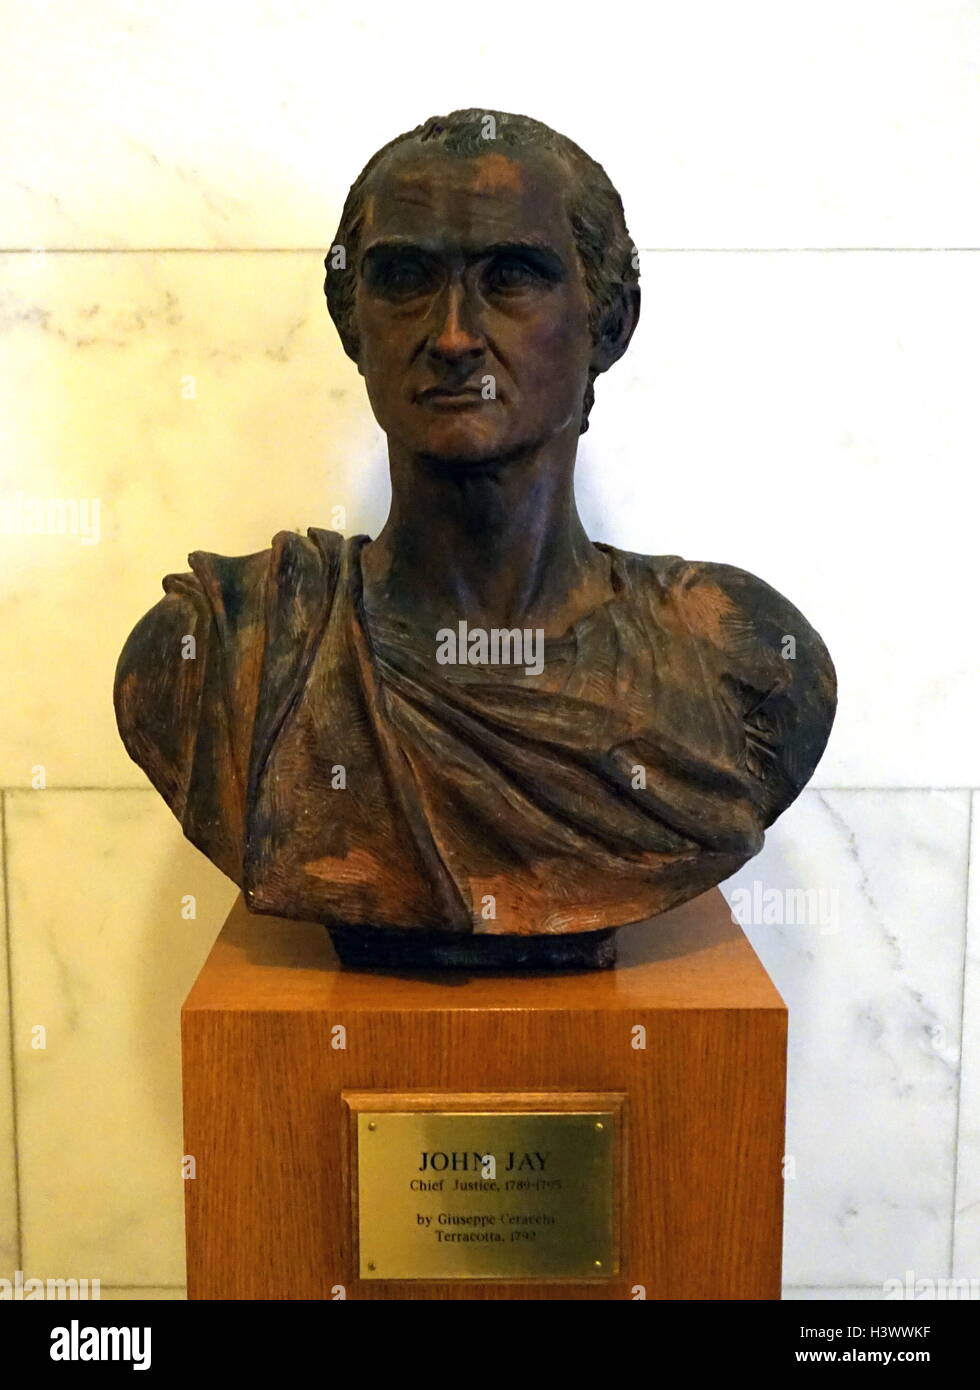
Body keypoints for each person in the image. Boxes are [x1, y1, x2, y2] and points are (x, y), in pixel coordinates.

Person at [115, 109, 836, 967]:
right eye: (407, 278)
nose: (454, 334)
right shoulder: (225, 656)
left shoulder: (739, 662)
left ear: (610, 323)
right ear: (353, 325)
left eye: (511, 277)